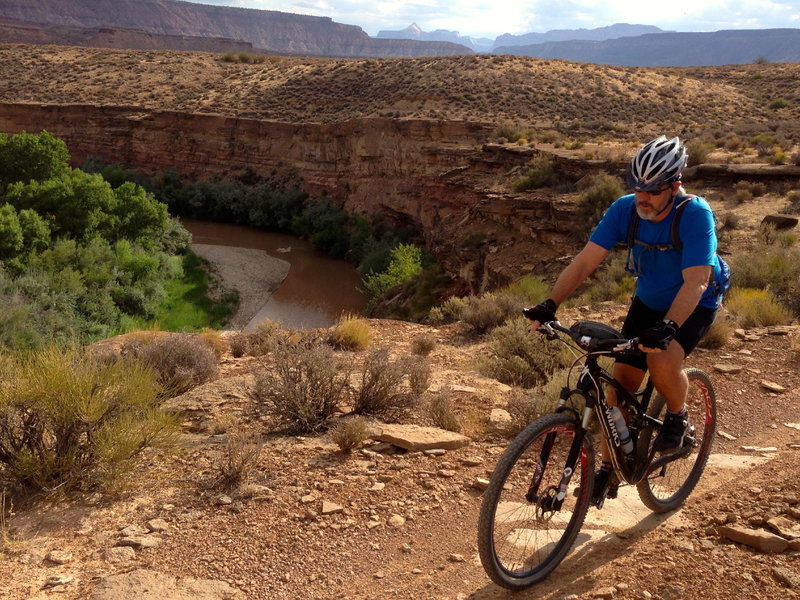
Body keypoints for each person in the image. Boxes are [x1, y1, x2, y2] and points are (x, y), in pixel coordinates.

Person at [524, 135, 728, 501]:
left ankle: (678, 416)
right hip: (648, 300)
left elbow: (697, 281)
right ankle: (609, 466)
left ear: (674, 186)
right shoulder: (624, 210)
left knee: (661, 358)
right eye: (638, 189)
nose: (643, 198)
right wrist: (550, 304)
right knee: (620, 384)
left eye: (652, 190)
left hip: (694, 302)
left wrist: (669, 327)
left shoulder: (695, 214)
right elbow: (586, 261)